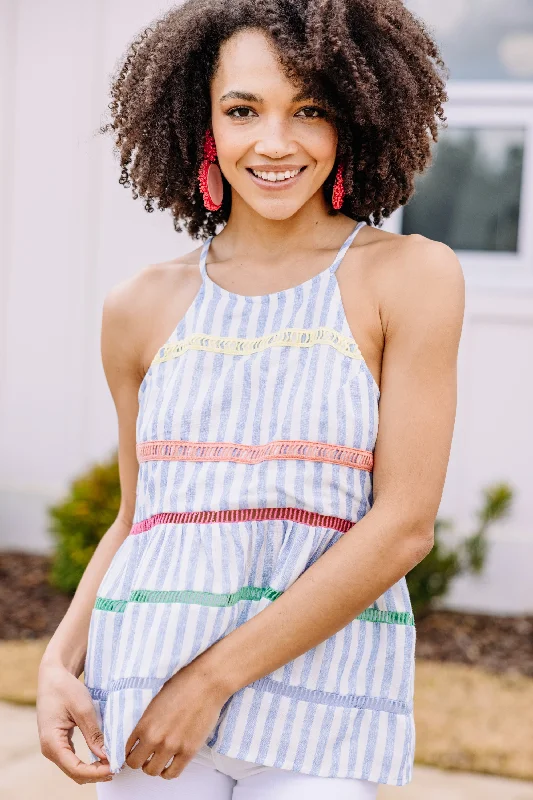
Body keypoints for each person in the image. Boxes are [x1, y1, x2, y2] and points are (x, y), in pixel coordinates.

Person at [36, 1, 465, 797]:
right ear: (201, 124)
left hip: (320, 705)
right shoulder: (140, 304)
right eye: (242, 110)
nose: (275, 142)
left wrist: (209, 684)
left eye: (310, 110)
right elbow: (139, 516)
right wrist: (60, 663)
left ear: (355, 122)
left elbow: (402, 527)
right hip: (145, 685)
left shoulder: (407, 276)